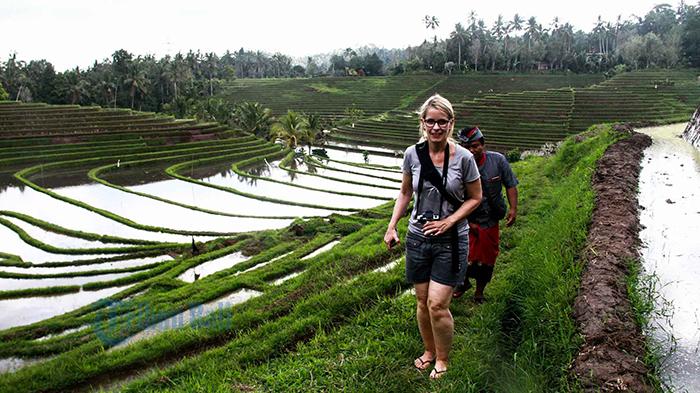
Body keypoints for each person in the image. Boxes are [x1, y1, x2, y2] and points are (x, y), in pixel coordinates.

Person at [384, 94, 482, 379]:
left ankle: (442, 358)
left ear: (451, 124)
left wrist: (449, 221)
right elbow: (405, 193)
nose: (436, 127)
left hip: (450, 241)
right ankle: (428, 351)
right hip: (418, 237)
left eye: (442, 122)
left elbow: (475, 198)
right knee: (422, 301)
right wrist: (392, 226)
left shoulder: (464, 158)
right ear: (422, 123)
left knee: (438, 305)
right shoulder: (411, 154)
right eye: (431, 122)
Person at [452, 126, 519, 302]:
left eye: (475, 146)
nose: (472, 151)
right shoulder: (457, 165)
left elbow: (510, 184)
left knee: (487, 258)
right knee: (463, 255)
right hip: (467, 218)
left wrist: (513, 209)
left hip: (490, 218)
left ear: (483, 145)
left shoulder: (498, 161)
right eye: (467, 148)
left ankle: (479, 292)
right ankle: (463, 282)